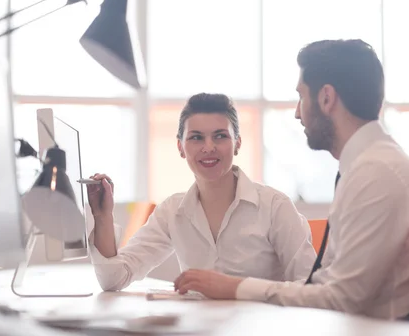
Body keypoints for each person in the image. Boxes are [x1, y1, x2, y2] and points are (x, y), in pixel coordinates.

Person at [173, 39, 409, 319]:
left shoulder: (377, 175)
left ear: (326, 98)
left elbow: (341, 299)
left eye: (302, 96)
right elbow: (329, 287)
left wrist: (236, 287)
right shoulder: (365, 168)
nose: (298, 112)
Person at [87, 93, 316, 292]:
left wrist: (237, 289)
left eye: (220, 136)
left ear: (237, 143)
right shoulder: (172, 211)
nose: (208, 147)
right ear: (180, 147)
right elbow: (114, 279)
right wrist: (102, 216)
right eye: (196, 137)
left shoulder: (275, 206)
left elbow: (310, 287)